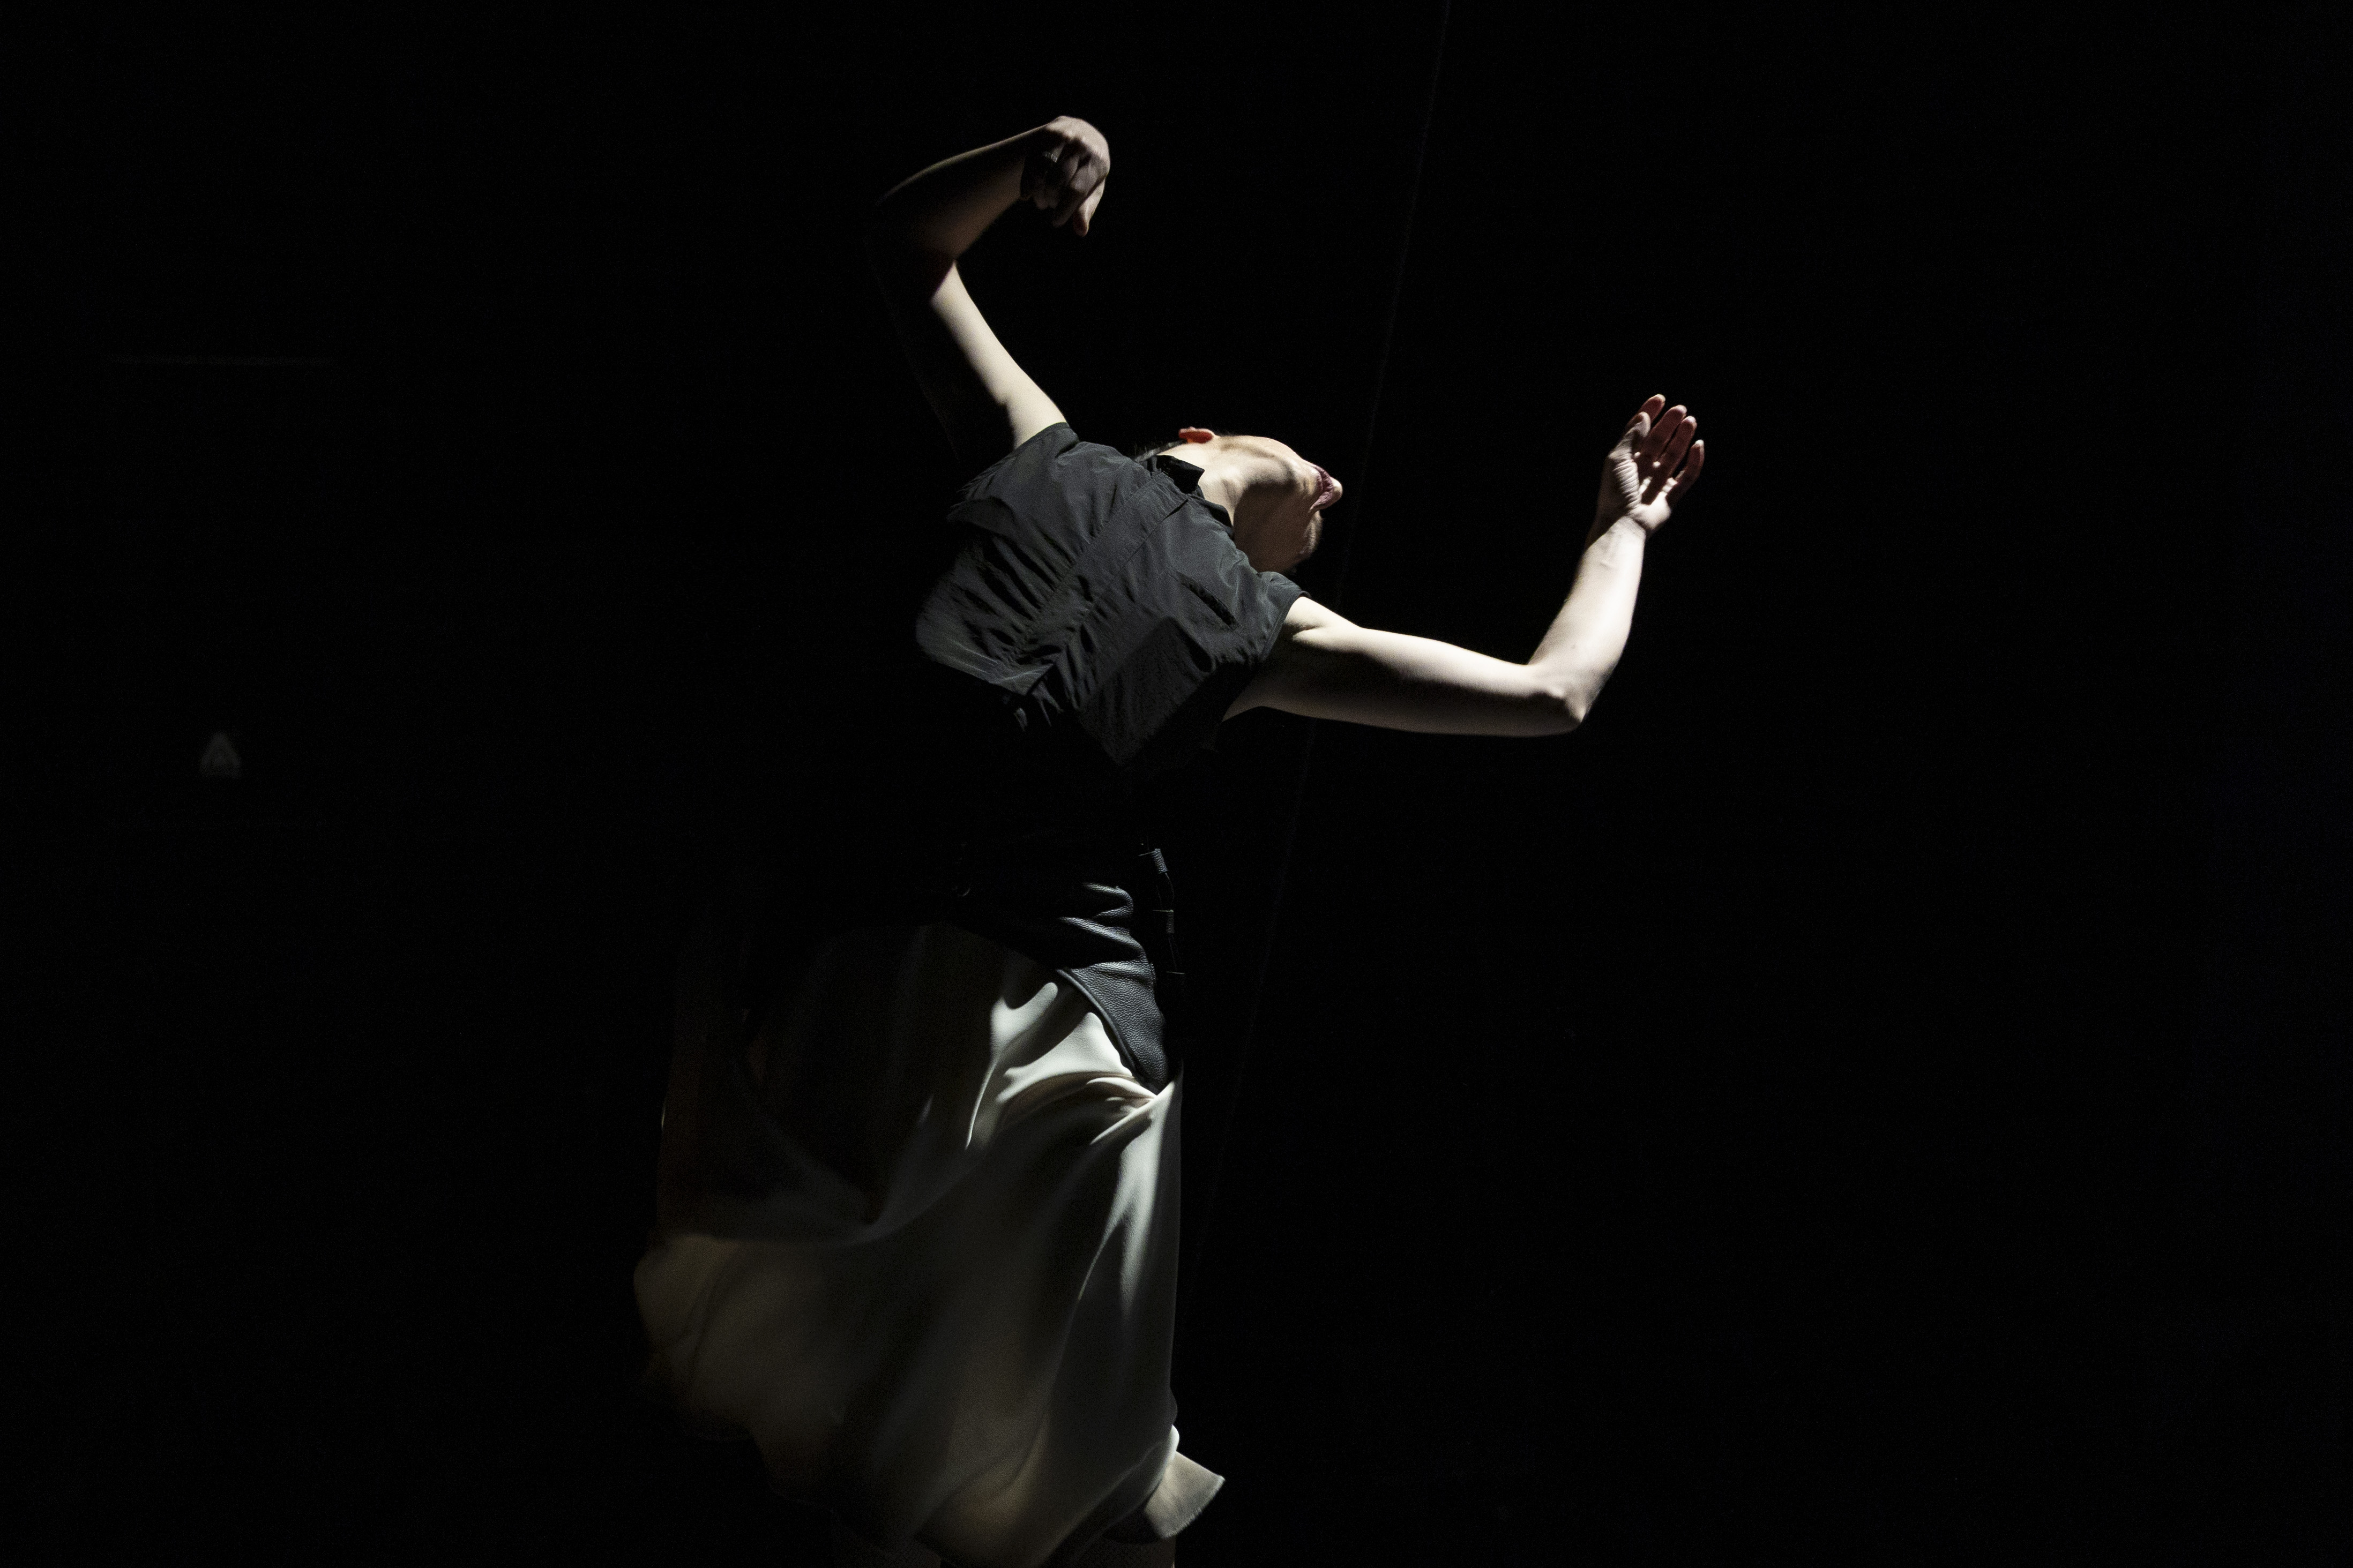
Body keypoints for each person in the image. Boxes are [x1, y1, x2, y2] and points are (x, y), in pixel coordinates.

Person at [633, 116, 1704, 1568]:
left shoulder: (1269, 625)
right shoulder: (1044, 447)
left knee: (1005, 1435)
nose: (1331, 495)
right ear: (1200, 437)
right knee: (825, 1376)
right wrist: (1035, 152)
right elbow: (898, 245)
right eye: (1311, 473)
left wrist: (1620, 530)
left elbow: (1549, 693)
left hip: (1047, 1013)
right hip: (873, 946)